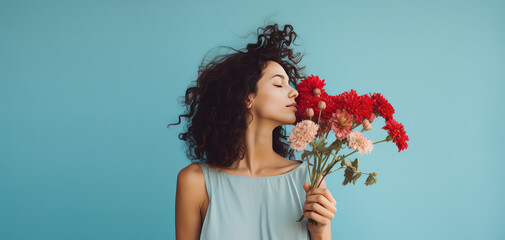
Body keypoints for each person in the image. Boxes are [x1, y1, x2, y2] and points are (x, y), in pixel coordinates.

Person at [168, 23, 337, 240]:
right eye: (279, 85)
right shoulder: (195, 182)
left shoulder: (308, 179)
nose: (294, 92)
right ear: (248, 97)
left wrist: (320, 230)